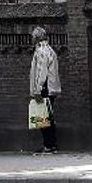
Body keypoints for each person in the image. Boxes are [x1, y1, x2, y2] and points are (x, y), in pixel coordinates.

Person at [29, 26, 61, 154]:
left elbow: (41, 72)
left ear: (37, 38)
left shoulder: (41, 51)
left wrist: (37, 89)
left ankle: (48, 145)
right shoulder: (49, 50)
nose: (32, 39)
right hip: (50, 87)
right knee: (48, 117)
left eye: (33, 37)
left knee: (43, 118)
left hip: (45, 88)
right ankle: (51, 144)